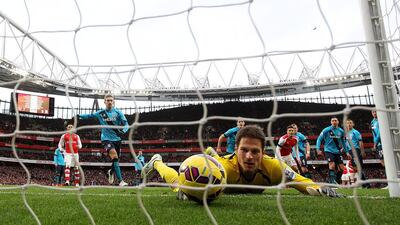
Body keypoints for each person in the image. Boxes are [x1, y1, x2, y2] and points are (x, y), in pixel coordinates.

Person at [142, 125, 341, 199]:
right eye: (244, 150)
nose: (249, 156)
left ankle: (211, 152)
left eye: (255, 152)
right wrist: (189, 191)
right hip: (220, 164)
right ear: (236, 150)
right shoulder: (224, 171)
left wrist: (319, 189)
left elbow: (300, 181)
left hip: (223, 163)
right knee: (179, 185)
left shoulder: (273, 167)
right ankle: (157, 162)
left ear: (264, 153)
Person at [78, 94, 129, 186]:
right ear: (104, 102)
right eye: (108, 100)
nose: (109, 102)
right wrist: (79, 116)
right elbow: (90, 115)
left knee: (116, 160)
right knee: (115, 157)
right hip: (106, 139)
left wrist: (124, 130)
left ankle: (111, 172)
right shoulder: (101, 113)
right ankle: (121, 181)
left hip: (117, 139)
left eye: (111, 100)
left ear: (113, 102)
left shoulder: (118, 112)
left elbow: (126, 124)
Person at [316, 117, 351, 184]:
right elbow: (319, 139)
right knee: (332, 165)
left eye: (335, 120)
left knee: (342, 168)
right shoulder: (326, 130)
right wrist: (318, 149)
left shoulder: (341, 131)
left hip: (338, 151)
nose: (334, 122)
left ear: (338, 122)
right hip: (328, 150)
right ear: (331, 122)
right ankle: (332, 181)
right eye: (333, 121)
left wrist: (347, 152)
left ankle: (337, 180)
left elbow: (343, 142)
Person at [345, 119, 369, 187]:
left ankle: (366, 184)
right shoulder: (346, 133)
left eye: (350, 123)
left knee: (358, 167)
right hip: (350, 151)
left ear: (353, 124)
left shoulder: (355, 132)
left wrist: (362, 151)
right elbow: (346, 143)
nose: (349, 124)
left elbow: (360, 142)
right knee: (356, 168)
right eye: (347, 123)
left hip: (355, 150)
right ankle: (365, 184)